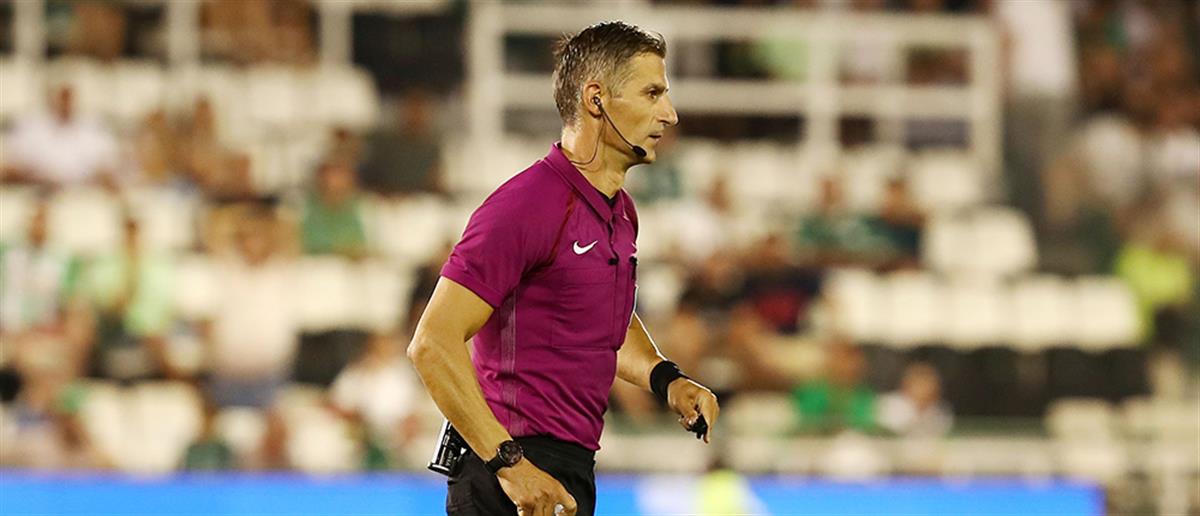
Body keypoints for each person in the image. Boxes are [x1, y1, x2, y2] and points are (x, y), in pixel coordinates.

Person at [407, 21, 719, 516]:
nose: (670, 113)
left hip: (567, 469)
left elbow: (598, 320)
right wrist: (509, 465)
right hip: (509, 472)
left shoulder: (620, 212)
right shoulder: (527, 205)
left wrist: (666, 378)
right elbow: (432, 343)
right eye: (652, 93)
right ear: (596, 100)